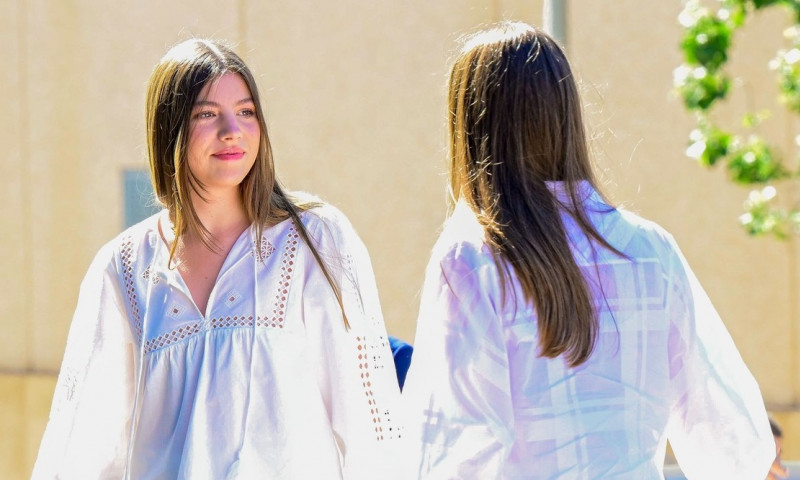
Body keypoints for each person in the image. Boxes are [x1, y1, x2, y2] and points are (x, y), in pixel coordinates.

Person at [401, 22, 775, 479]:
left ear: (468, 131)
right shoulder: (650, 250)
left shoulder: (471, 261)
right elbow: (731, 436)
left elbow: (455, 451)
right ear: (566, 117)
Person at [32, 39, 401, 479]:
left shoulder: (316, 239)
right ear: (169, 129)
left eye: (246, 112)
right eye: (207, 114)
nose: (232, 130)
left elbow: (369, 422)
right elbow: (86, 445)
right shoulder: (123, 267)